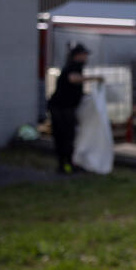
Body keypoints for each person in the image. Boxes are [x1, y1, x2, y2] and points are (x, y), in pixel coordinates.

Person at [47, 44, 103, 174]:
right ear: (78, 55)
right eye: (84, 54)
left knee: (68, 136)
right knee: (64, 136)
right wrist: (94, 78)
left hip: (65, 108)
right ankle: (64, 165)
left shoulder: (76, 66)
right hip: (60, 109)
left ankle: (68, 164)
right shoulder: (73, 66)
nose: (86, 57)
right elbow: (73, 79)